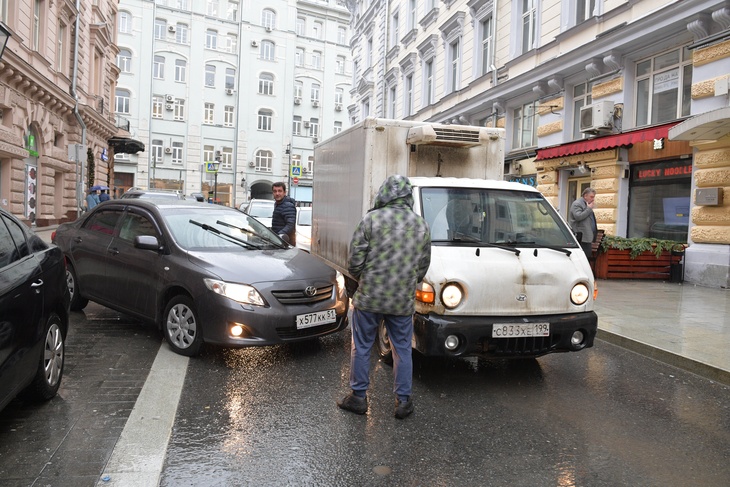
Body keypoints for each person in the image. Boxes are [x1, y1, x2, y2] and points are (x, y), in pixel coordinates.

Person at [337, 175, 431, 419]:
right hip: (401, 301)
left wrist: (362, 280)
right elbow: (423, 266)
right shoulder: (421, 225)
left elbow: (354, 261)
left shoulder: (371, 220)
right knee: (402, 350)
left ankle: (358, 397)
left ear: (385, 193)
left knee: (362, 347)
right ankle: (403, 402)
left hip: (369, 298)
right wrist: (407, 282)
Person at [569, 187, 598, 257]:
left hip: (587, 237)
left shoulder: (587, 204)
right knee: (583, 259)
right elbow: (578, 216)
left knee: (587, 258)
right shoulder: (577, 204)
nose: (593, 199)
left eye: (594, 197)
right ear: (585, 196)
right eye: (591, 197)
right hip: (581, 237)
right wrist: (589, 209)